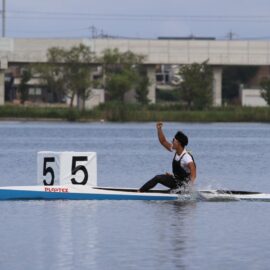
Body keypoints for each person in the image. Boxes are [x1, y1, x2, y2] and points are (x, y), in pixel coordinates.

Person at [139, 122, 196, 192]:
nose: (172, 142)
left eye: (173, 140)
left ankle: (139, 192)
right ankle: (141, 191)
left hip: (183, 186)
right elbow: (163, 141)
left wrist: (189, 188)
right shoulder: (177, 150)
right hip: (177, 181)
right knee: (159, 178)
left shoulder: (186, 157)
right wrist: (159, 129)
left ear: (179, 143)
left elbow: (193, 172)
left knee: (159, 180)